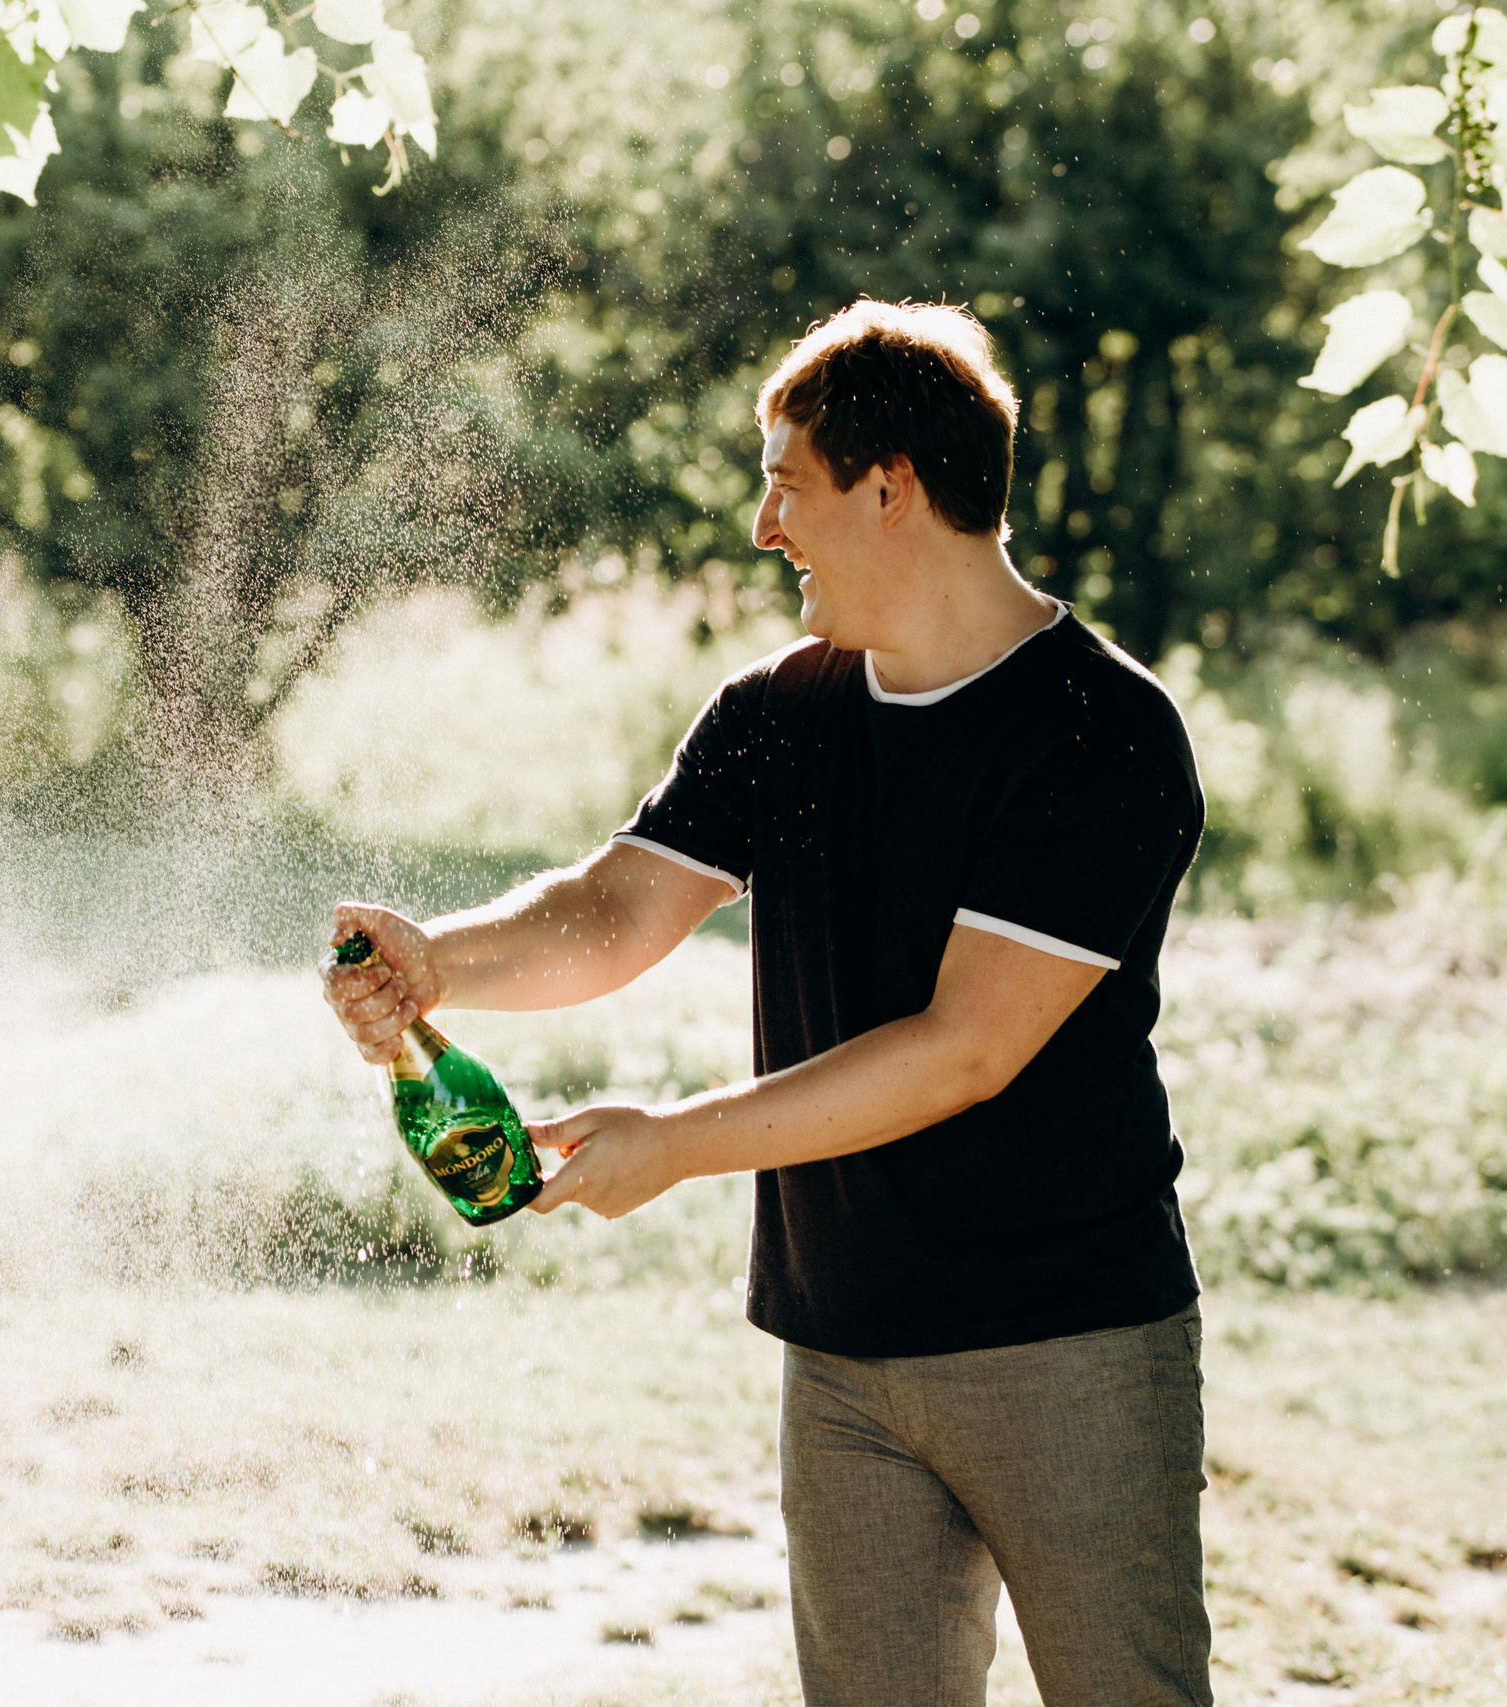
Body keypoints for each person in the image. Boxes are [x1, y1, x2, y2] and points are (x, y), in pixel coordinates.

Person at [322, 300, 1210, 1706]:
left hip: (1068, 1343)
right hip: (841, 1347)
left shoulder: (1098, 731)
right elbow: (613, 909)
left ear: (890, 486)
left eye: (784, 482)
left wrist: (672, 1142)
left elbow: (964, 1049)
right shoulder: (777, 713)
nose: (761, 525)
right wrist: (439, 959)